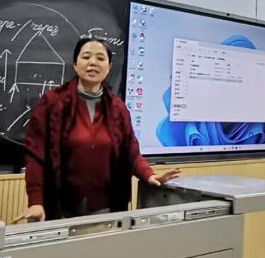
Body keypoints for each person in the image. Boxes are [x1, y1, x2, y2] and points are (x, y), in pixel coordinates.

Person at [22, 37, 178, 221]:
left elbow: (130, 151)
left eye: (100, 58)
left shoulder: (117, 108)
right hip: (59, 208)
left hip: (106, 208)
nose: (93, 63)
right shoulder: (52, 103)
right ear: (75, 64)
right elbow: (36, 155)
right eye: (86, 57)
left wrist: (148, 174)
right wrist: (35, 201)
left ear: (109, 67)